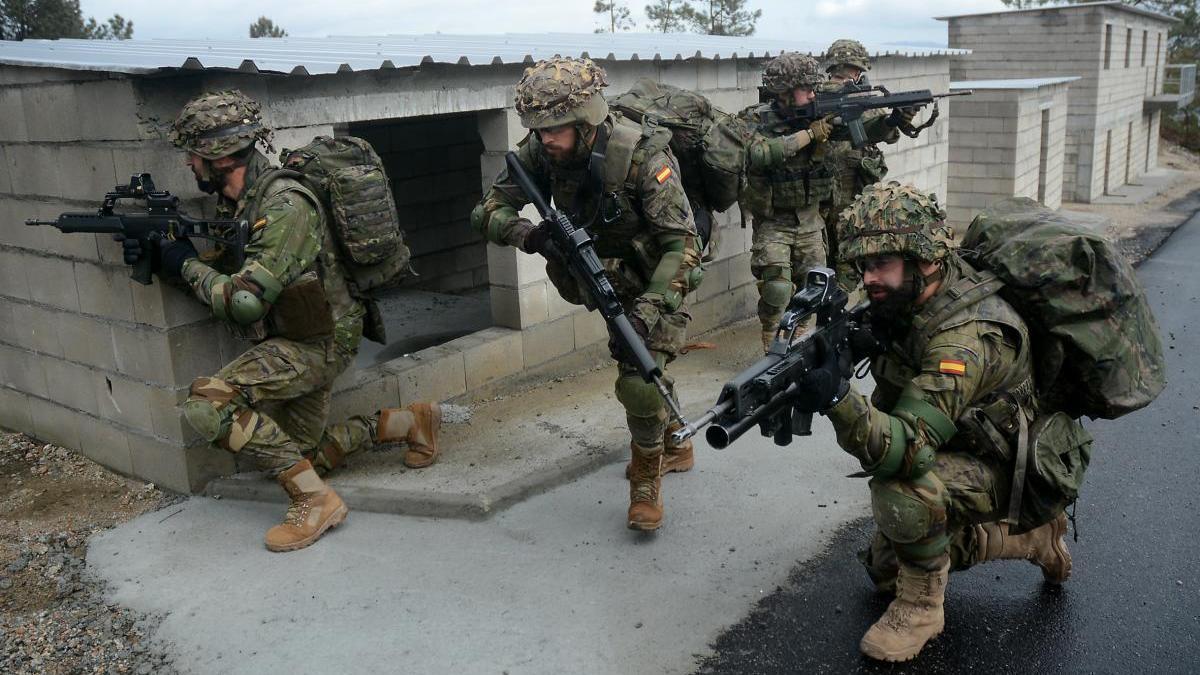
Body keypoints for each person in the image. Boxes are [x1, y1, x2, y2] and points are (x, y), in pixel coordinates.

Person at [142, 90, 442, 552]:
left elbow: (244, 302)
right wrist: (173, 251)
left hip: (319, 342)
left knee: (209, 405)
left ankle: (315, 503)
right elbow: (230, 271)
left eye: (193, 154)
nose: (188, 165)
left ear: (219, 157)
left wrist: (182, 263)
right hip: (304, 333)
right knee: (302, 456)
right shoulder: (240, 202)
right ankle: (409, 423)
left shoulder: (284, 205)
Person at [816, 182, 1073, 662]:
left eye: (880, 264)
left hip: (1009, 464)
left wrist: (837, 397)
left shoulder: (965, 339)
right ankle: (1032, 538)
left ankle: (921, 609)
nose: (868, 277)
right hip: (958, 439)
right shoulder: (909, 294)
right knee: (884, 569)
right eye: (862, 265)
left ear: (925, 261)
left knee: (902, 490)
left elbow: (908, 447)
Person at [471, 57, 702, 531]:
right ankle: (675, 438)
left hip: (660, 281)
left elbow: (683, 247)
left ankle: (645, 475)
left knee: (637, 378)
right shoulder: (542, 150)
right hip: (601, 281)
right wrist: (528, 235)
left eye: (554, 128)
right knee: (642, 365)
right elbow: (486, 211)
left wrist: (649, 310)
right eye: (537, 128)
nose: (544, 138)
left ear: (587, 117)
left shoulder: (642, 157)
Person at [818, 39, 909, 291]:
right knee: (847, 264)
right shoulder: (851, 97)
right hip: (848, 196)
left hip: (817, 197)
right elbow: (887, 134)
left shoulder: (812, 94)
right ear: (858, 71)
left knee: (820, 262)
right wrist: (894, 120)